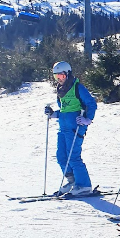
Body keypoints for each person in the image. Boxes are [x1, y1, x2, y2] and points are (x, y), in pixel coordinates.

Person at [44, 61, 97, 196]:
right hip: (63, 128)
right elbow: (64, 110)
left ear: (68, 74)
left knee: (73, 157)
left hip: (76, 127)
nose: (59, 79)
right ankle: (73, 181)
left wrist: (88, 119)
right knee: (61, 156)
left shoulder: (77, 87)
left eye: (61, 76)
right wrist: (53, 114)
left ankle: (84, 185)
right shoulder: (60, 91)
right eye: (56, 76)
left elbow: (91, 103)